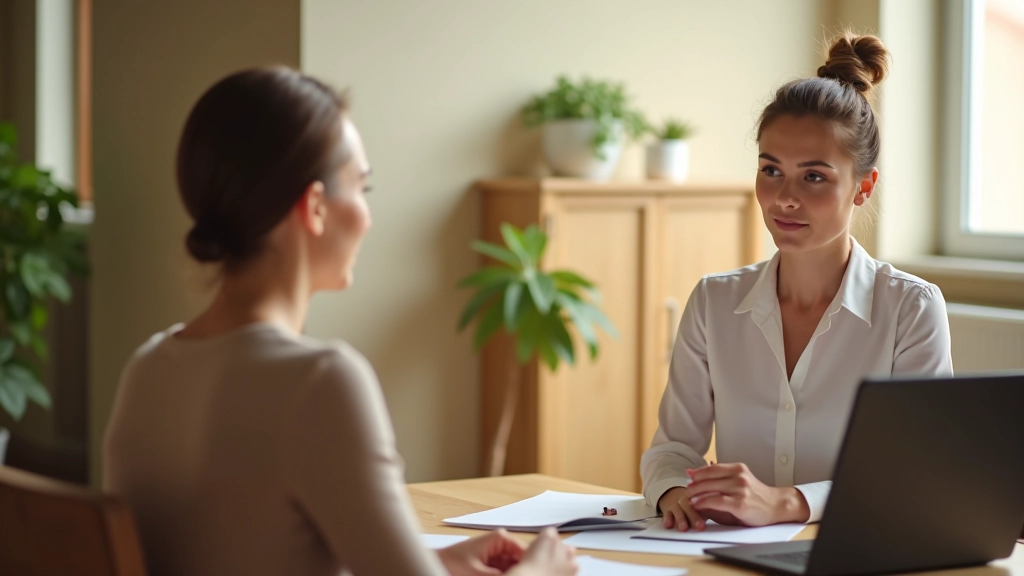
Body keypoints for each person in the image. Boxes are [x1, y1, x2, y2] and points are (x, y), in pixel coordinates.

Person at [103, 67, 577, 576]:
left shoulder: (147, 369)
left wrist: (433, 562)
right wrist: (539, 571)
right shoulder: (318, 381)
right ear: (314, 207)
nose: (368, 216)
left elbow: (242, 548)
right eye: (362, 187)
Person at [641, 32, 953, 532]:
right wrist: (675, 490)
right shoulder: (714, 301)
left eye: (813, 177)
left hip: (861, 550)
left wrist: (786, 503)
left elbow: (914, 472)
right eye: (771, 170)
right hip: (729, 552)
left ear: (863, 187)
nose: (784, 197)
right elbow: (673, 449)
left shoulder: (910, 308)